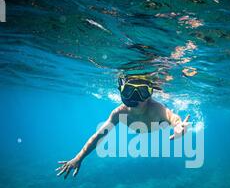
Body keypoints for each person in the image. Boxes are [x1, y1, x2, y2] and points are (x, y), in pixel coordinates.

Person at [56, 75, 190, 178]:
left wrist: (179, 126)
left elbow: (172, 117)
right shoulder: (118, 113)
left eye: (143, 91)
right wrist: (79, 157)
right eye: (129, 91)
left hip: (159, 124)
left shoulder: (157, 109)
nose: (136, 97)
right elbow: (99, 135)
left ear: (149, 95)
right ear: (121, 92)